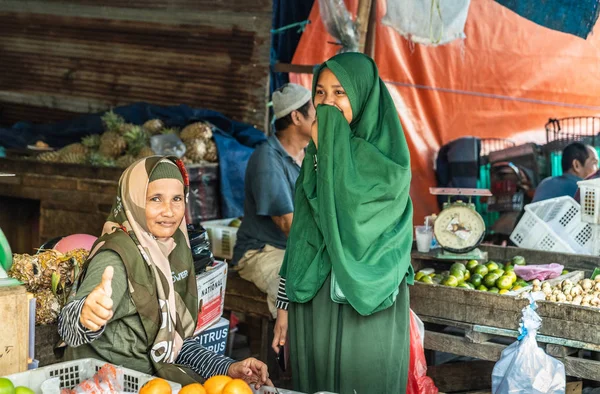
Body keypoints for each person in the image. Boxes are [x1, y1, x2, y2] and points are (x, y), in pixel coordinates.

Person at [58, 156, 272, 387]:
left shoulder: (169, 252)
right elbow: (70, 331)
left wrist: (228, 367)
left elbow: (172, 345)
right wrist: (85, 317)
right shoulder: (116, 258)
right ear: (133, 200)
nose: (169, 211)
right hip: (105, 386)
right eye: (155, 199)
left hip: (152, 384)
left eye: (177, 199)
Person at [273, 53, 414, 393]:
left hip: (367, 302)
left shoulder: (388, 160)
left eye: (340, 93)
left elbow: (352, 220)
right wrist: (284, 305)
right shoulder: (316, 154)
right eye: (320, 93)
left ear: (364, 96)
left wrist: (330, 151)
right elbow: (302, 235)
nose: (327, 103)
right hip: (315, 297)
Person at [232, 83, 315, 318]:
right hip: (261, 252)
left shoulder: (309, 155)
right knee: (297, 288)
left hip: (292, 250)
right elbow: (288, 224)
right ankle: (286, 352)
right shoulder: (267, 159)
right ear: (297, 117)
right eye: (316, 113)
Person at [532, 142, 598, 202]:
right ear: (576, 165)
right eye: (594, 163)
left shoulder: (545, 183)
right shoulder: (583, 190)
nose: (597, 169)